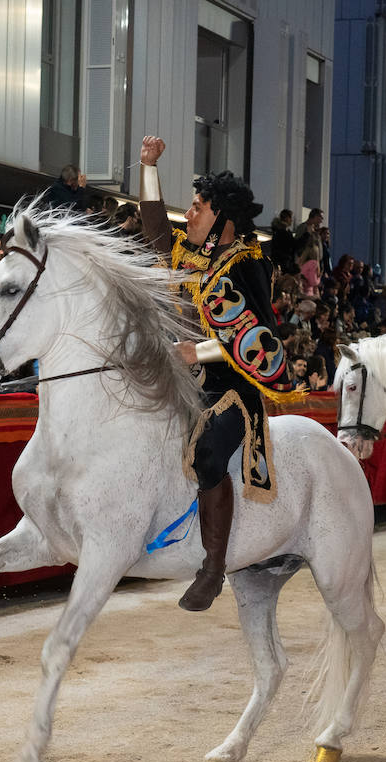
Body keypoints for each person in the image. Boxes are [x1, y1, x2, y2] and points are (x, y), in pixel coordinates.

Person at [137, 135, 292, 611]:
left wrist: (199, 352)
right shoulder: (191, 255)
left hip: (232, 389)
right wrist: (148, 167)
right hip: (183, 381)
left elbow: (263, 338)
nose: (191, 214)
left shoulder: (249, 265)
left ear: (223, 216)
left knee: (207, 454)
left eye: (199, 208)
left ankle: (212, 569)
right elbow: (154, 232)